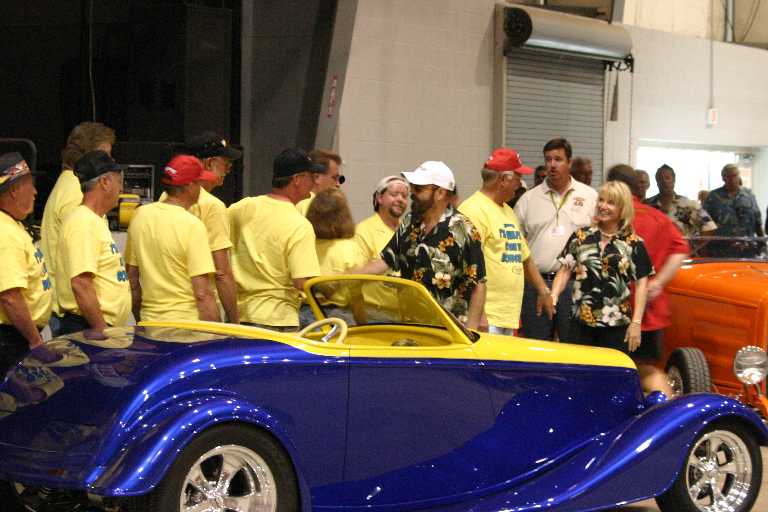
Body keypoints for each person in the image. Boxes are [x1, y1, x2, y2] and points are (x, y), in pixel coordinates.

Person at [357, 161, 487, 329]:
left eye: (419, 189)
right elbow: (385, 261)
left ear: (440, 193)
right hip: (409, 324)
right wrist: (347, 277)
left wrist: (472, 330)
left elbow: (478, 283)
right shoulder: (410, 222)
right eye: (413, 187)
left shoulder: (463, 229)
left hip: (449, 329)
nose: (412, 193)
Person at [607, 165, 689, 396]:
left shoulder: (610, 218)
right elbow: (681, 249)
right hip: (649, 314)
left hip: (613, 312)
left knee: (612, 369)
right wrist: (658, 282)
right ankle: (665, 412)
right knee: (647, 371)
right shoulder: (657, 217)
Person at [550, 181, 653, 355]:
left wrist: (636, 322)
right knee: (578, 369)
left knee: (612, 371)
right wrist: (553, 296)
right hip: (580, 323)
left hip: (617, 326)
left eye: (611, 202)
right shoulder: (581, 236)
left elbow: (642, 285)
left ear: (623, 208)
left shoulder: (634, 243)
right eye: (601, 200)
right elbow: (565, 270)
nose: (603, 206)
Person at [459, 148, 553, 335]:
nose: (520, 184)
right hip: (487, 317)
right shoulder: (472, 210)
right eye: (518, 178)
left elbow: (524, 257)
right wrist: (480, 313)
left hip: (508, 315)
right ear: (503, 179)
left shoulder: (508, 211)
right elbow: (466, 266)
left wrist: (543, 290)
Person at [228, 148, 322, 331]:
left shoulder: (243, 207)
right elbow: (302, 282)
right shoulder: (299, 225)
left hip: (241, 316)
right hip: (278, 320)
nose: (315, 182)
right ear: (297, 179)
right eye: (311, 176)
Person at [514, 138, 597, 341]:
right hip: (536, 283)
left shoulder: (590, 196)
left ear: (569, 163)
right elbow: (516, 243)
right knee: (536, 347)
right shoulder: (528, 199)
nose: (552, 165)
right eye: (548, 159)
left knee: (573, 346)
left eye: (558, 159)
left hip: (575, 284)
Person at [40, 122, 115, 332]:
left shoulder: (68, 183)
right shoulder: (77, 192)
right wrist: (101, 328)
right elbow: (81, 276)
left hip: (77, 313)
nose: (110, 163)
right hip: (80, 316)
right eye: (107, 156)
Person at [125, 155, 219, 322]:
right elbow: (202, 294)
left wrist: (141, 320)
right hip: (187, 325)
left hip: (150, 322)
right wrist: (216, 333)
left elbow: (132, 280)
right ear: (190, 186)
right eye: (199, 183)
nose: (201, 190)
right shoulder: (193, 225)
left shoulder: (140, 215)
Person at [56, 151, 130, 336]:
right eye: (118, 181)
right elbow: (81, 283)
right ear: (104, 182)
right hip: (89, 326)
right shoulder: (83, 222)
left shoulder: (93, 220)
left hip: (94, 325)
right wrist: (102, 330)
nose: (121, 189)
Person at [177, 132, 243, 323]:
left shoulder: (165, 199)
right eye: (226, 163)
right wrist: (235, 323)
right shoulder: (212, 206)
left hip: (161, 316)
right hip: (199, 315)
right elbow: (221, 273)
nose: (228, 170)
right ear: (209, 163)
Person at [0, 153, 52, 368]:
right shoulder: (5, 233)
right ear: (14, 190)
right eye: (30, 185)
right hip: (11, 339)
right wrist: (35, 340)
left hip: (17, 335)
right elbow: (10, 296)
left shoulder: (12, 224)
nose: (35, 192)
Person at [303, 189, 366, 324]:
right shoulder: (350, 248)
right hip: (338, 317)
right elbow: (356, 296)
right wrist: (363, 323)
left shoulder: (305, 244)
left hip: (304, 313)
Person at [704, 164, 763, 257]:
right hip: (721, 251)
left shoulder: (749, 195)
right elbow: (706, 225)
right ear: (723, 178)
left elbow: (757, 221)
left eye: (734, 175)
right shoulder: (713, 197)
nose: (731, 179)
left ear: (739, 176)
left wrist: (762, 244)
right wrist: (704, 248)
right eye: (728, 176)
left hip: (748, 250)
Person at [645, 164, 716, 237]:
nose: (664, 181)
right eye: (660, 179)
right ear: (657, 182)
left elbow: (709, 227)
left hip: (681, 243)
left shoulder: (689, 205)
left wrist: (695, 243)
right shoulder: (647, 205)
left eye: (667, 178)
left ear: (674, 180)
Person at [296, 149, 343, 215]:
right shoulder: (313, 206)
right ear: (316, 177)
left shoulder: (298, 200)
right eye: (334, 178)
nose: (338, 184)